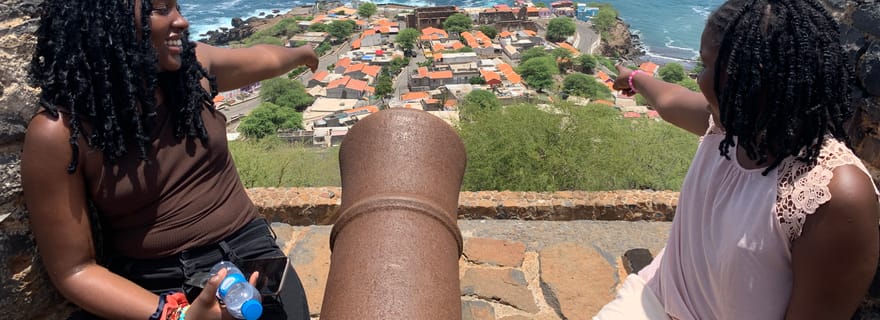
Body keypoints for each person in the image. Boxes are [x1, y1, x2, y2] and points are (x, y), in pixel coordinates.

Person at [22, 0, 319, 318]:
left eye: (177, 7)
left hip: (253, 257)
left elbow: (266, 58)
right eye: (161, 9)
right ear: (103, 22)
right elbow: (74, 270)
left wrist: (303, 53)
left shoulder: (194, 68)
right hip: (160, 283)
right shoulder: (58, 134)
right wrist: (174, 316)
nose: (182, 22)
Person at [595, 0, 879, 319]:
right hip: (655, 300)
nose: (699, 79)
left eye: (704, 66)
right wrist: (633, 78)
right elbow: (668, 98)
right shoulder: (730, 127)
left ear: (753, 80)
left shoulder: (832, 194)